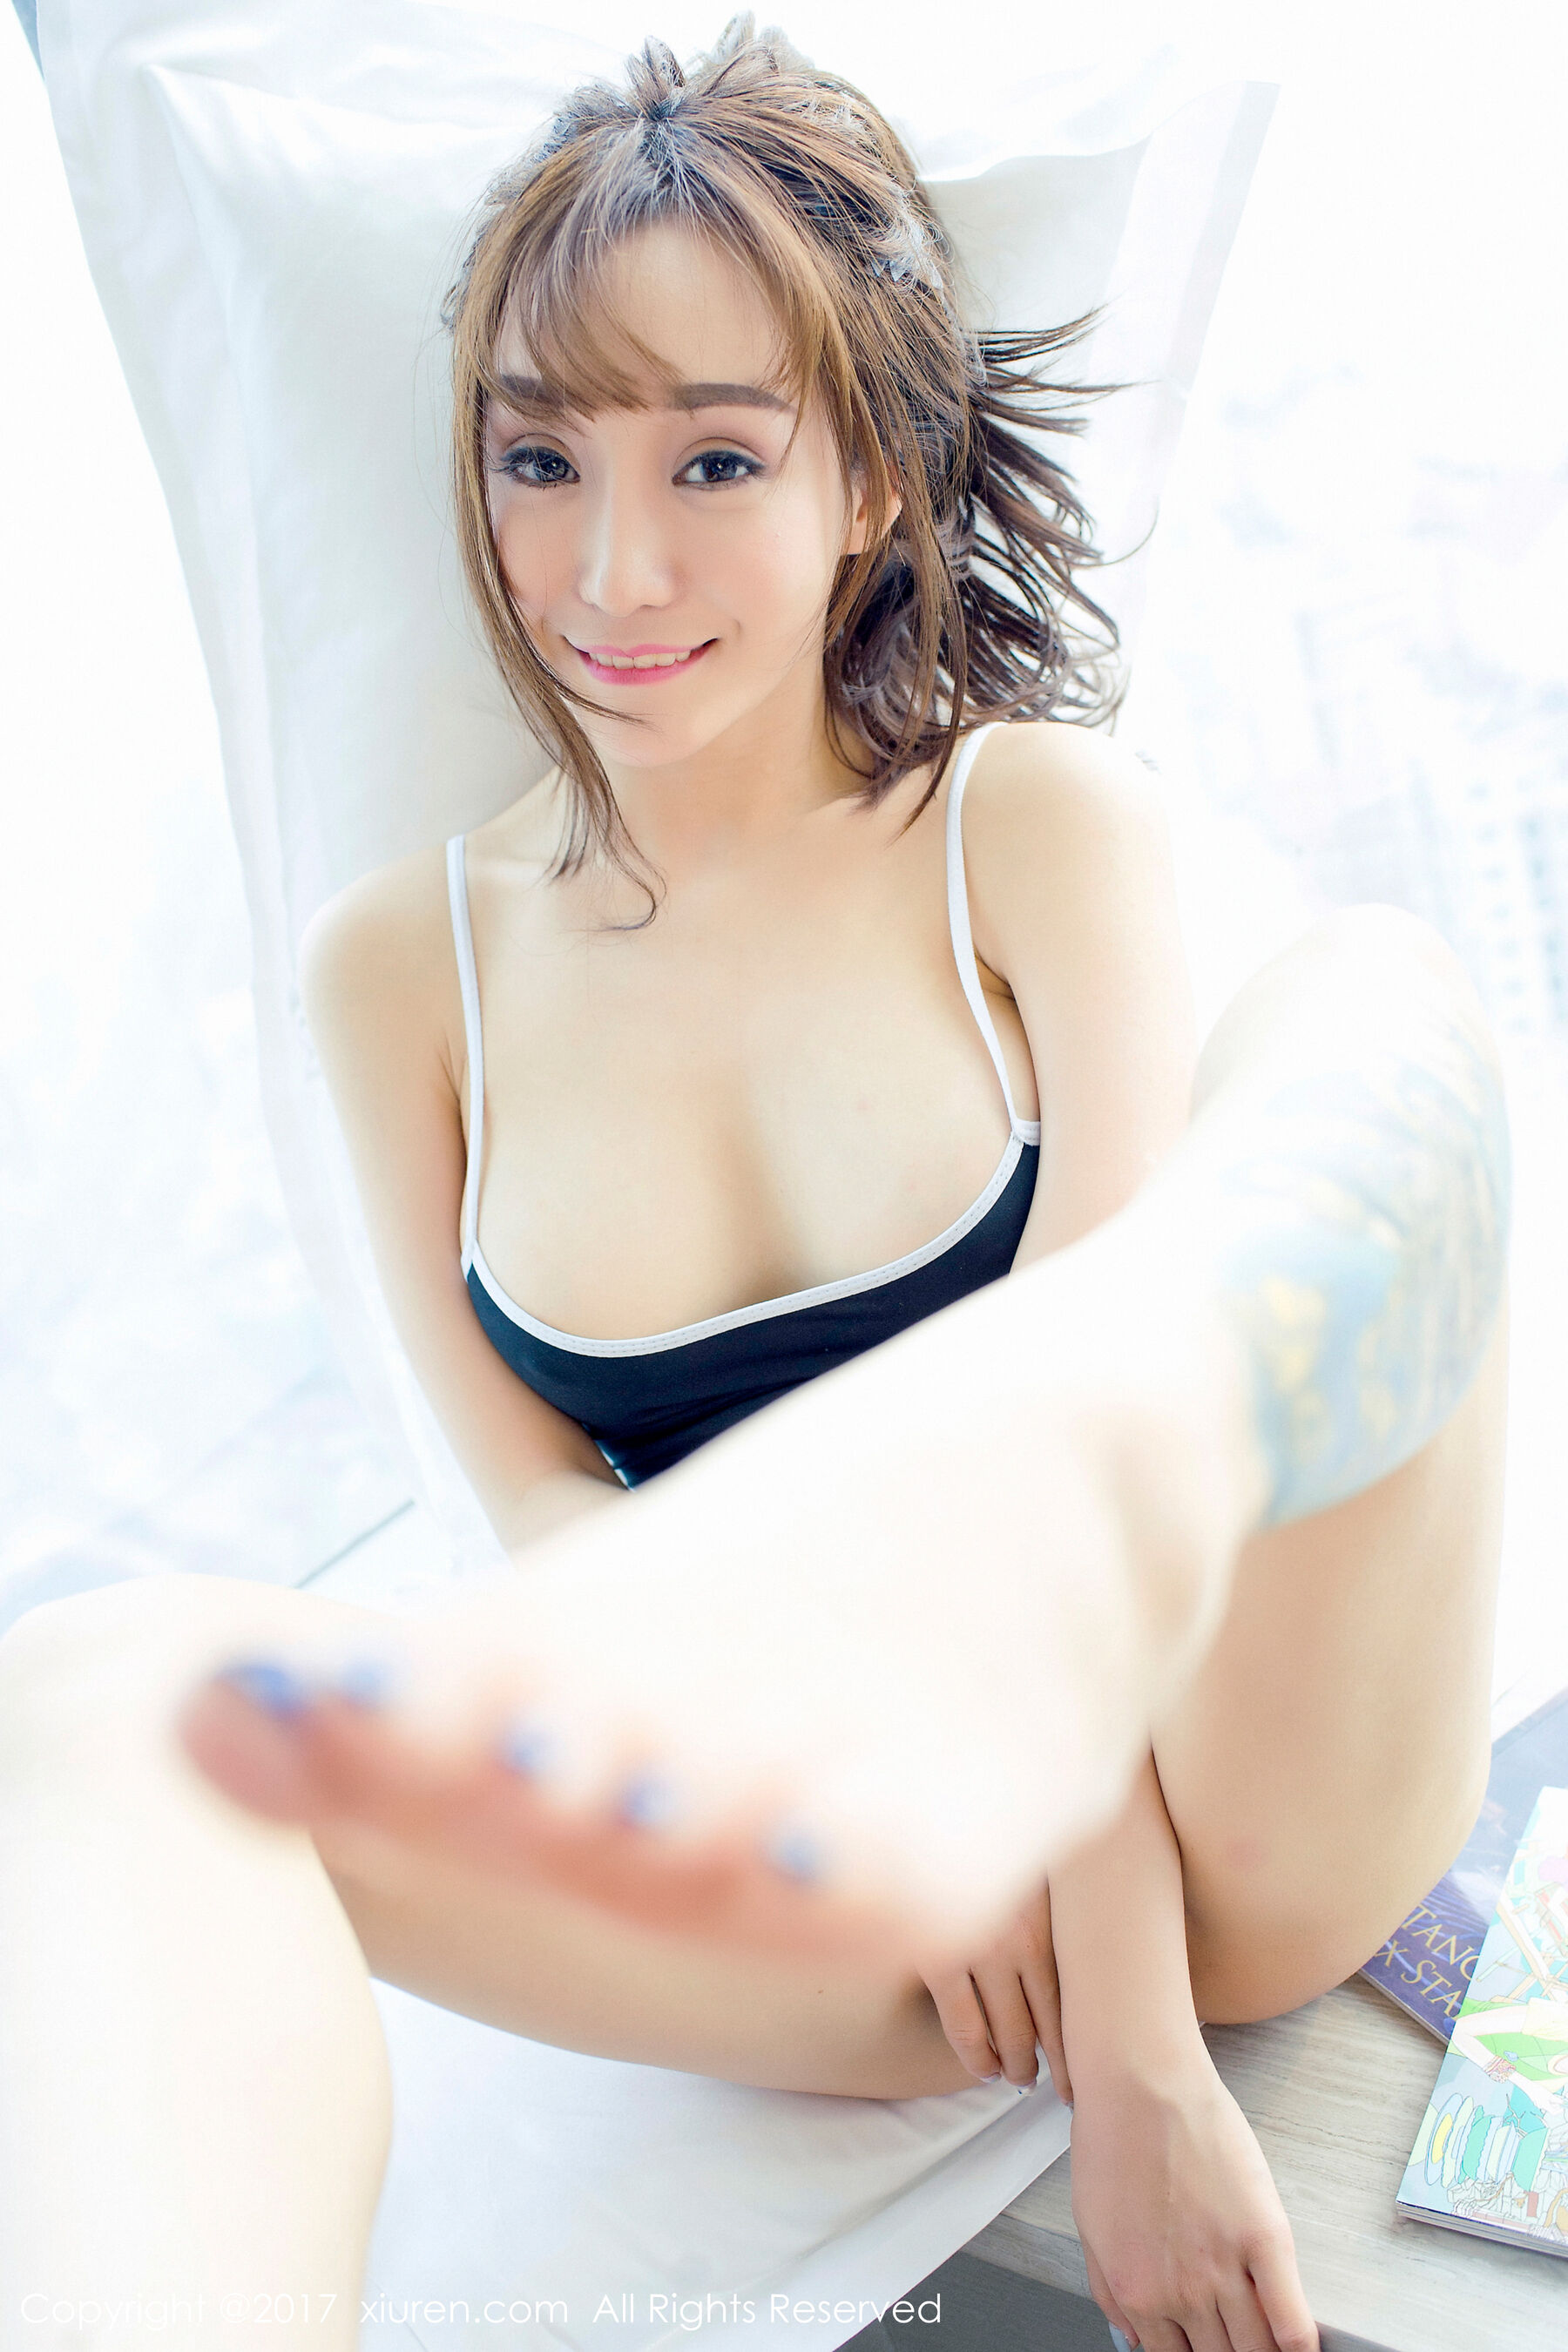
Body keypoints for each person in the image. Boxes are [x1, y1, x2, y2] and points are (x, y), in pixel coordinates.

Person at [0, 22, 1511, 2352]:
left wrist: (1133, 2046)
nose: (613, 567)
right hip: (837, 1865)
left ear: (873, 481)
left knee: (1371, 994)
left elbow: (1096, 1460)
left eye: (716, 457)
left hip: (1219, 1775)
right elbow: (553, 1514)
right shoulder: (402, 972)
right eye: (541, 457)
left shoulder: (1029, 833)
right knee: (96, 1695)